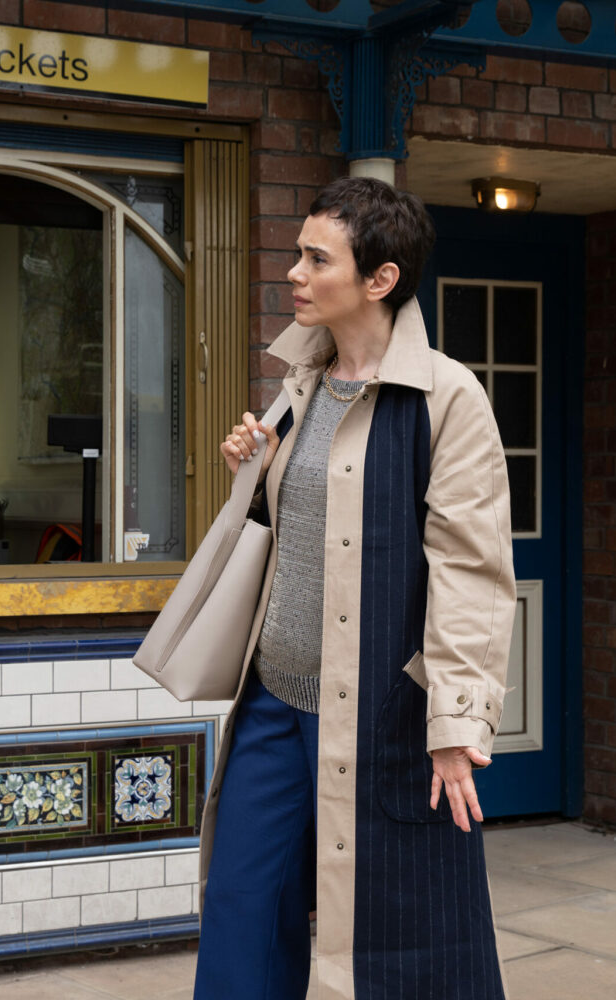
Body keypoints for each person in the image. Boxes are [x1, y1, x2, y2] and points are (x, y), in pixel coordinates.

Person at [194, 177, 516, 999]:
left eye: (315, 258)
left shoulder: (448, 397)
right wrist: (256, 474)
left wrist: (455, 720)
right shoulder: (300, 386)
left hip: (383, 717)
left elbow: (472, 573)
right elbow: (299, 535)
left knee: (397, 927)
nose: (293, 273)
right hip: (273, 702)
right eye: (297, 254)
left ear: (380, 279)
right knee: (240, 907)